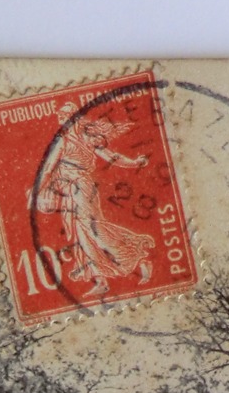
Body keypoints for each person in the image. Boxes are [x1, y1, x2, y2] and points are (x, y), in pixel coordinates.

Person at [32, 102, 155, 298]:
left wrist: (134, 163)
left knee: (91, 229)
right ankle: (101, 280)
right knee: (82, 234)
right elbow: (49, 168)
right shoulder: (74, 139)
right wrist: (134, 163)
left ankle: (136, 255)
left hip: (80, 187)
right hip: (72, 190)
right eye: (61, 118)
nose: (63, 122)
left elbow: (48, 168)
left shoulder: (69, 141)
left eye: (66, 117)